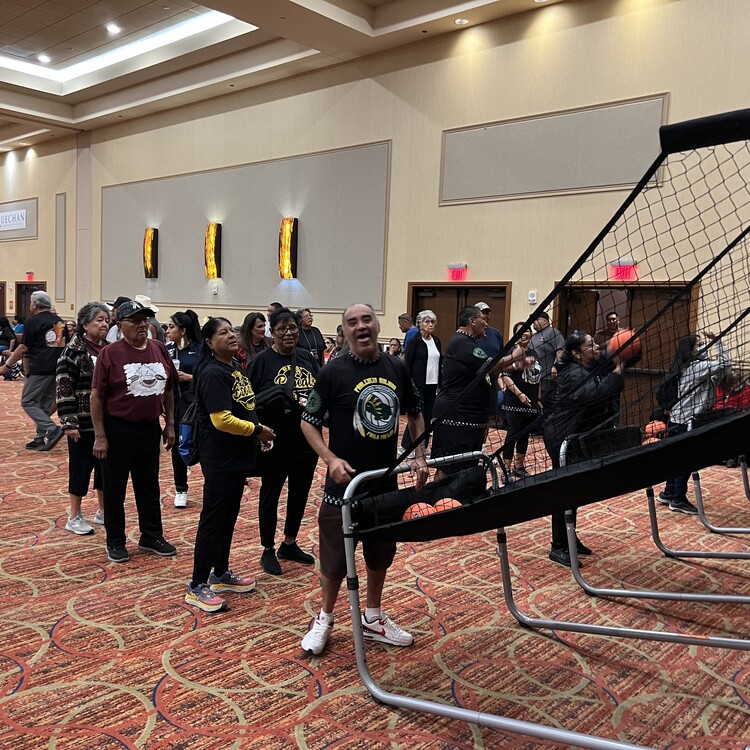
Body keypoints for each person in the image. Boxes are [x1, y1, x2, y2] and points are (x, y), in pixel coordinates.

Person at [299, 303, 429, 655]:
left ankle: (372, 616)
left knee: (380, 552)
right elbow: (308, 422)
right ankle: (325, 617)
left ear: (377, 326)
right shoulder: (332, 372)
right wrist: (330, 459)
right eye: (352, 322)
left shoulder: (396, 367)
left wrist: (419, 454)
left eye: (366, 319)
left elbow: (416, 413)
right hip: (343, 486)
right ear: (344, 332)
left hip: (384, 482)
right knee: (335, 559)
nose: (361, 326)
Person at [184, 317, 275, 613]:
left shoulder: (234, 366)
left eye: (232, 331)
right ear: (210, 342)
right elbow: (221, 419)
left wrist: (257, 434)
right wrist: (257, 431)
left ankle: (220, 573)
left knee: (228, 515)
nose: (232, 335)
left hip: (238, 455)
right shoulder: (213, 372)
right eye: (223, 333)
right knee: (213, 518)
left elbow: (245, 407)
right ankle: (197, 584)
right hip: (220, 456)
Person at [91, 299, 178, 563]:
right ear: (120, 325)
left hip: (149, 428)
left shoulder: (158, 348)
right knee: (115, 488)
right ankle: (116, 540)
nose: (142, 325)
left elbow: (169, 389)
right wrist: (100, 436)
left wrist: (170, 424)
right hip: (117, 429)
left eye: (145, 320)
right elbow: (96, 397)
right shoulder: (110, 353)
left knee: (149, 485)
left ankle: (151, 535)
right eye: (135, 321)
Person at [543, 333, 625, 566]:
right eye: (591, 345)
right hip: (561, 438)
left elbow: (614, 355)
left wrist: (622, 348)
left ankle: (569, 536)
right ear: (577, 353)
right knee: (564, 490)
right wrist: (618, 372)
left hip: (578, 436)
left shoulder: (591, 362)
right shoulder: (573, 373)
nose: (596, 347)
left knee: (575, 489)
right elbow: (596, 395)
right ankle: (558, 546)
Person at [248, 307, 319, 575]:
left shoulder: (307, 357)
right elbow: (247, 400)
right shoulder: (261, 361)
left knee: (300, 491)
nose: (288, 333)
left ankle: (289, 542)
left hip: (307, 438)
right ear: (273, 332)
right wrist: (258, 431)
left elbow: (319, 389)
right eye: (282, 329)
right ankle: (267, 547)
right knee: (271, 492)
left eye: (293, 328)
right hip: (275, 439)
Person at [431, 306, 520, 476]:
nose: (486, 324)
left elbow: (491, 371)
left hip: (471, 415)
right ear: (472, 321)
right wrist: (515, 355)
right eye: (482, 319)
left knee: (467, 468)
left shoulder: (469, 342)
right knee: (449, 467)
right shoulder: (461, 342)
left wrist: (516, 364)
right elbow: (489, 365)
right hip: (456, 416)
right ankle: (439, 493)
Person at [658, 332, 730, 514]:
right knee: (686, 460)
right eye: (700, 345)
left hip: (676, 419)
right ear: (690, 350)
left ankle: (668, 492)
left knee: (676, 458)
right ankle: (678, 499)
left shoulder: (685, 366)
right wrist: (718, 342)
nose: (704, 348)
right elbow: (724, 363)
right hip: (686, 421)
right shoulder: (696, 367)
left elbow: (718, 375)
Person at [55, 302, 110, 535]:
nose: (104, 324)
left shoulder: (110, 349)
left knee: (105, 468)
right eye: (99, 320)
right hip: (82, 421)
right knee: (80, 468)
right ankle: (74, 515)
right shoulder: (72, 352)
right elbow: (64, 388)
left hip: (107, 421)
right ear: (85, 324)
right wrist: (69, 422)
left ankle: (103, 511)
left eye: (107, 320)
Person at [0, 291, 65, 450]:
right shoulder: (59, 321)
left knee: (28, 401)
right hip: (56, 368)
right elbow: (59, 345)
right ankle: (40, 437)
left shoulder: (34, 321)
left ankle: (51, 429)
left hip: (40, 368)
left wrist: (6, 366)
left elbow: (23, 347)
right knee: (44, 405)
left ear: (35, 304)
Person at [165, 310, 202, 508]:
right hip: (176, 403)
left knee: (201, 442)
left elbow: (209, 374)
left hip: (196, 403)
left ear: (183, 330)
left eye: (172, 327)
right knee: (178, 444)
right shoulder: (167, 349)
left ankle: (210, 484)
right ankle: (181, 489)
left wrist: (189, 377)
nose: (167, 330)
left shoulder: (200, 349)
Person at [500, 323, 541, 478]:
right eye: (521, 332)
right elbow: (505, 376)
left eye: (527, 330)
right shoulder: (511, 352)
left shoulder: (534, 353)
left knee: (525, 434)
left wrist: (538, 398)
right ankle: (506, 469)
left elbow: (538, 377)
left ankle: (519, 466)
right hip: (514, 401)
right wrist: (520, 395)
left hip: (530, 401)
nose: (525, 333)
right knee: (513, 433)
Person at [402, 309, 442, 451]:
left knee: (428, 415)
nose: (430, 324)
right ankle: (407, 446)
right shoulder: (414, 341)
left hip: (432, 383)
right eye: (427, 322)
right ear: (420, 323)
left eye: (432, 322)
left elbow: (439, 362)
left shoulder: (436, 341)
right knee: (418, 415)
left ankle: (423, 446)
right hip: (417, 383)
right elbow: (408, 363)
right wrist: (408, 384)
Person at [531, 311, 565, 411]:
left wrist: (556, 366)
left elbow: (560, 351)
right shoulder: (533, 336)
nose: (534, 322)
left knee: (545, 404)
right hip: (534, 377)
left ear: (545, 321)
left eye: (537, 319)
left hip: (547, 377)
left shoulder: (553, 332)